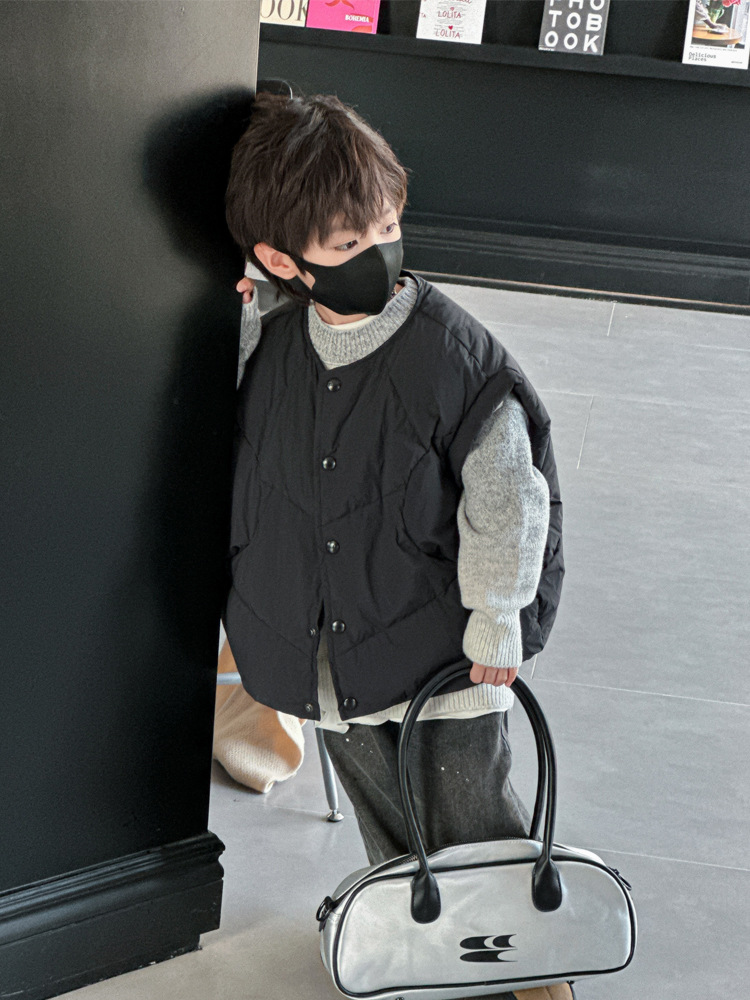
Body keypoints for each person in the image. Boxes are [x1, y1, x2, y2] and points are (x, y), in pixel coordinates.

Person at [222, 91, 567, 1000]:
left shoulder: (453, 355)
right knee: (388, 823)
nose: (379, 251)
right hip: (325, 656)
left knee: (472, 816)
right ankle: (431, 953)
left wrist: (497, 617)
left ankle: (532, 974)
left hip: (440, 651)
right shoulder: (275, 341)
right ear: (280, 259)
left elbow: (509, 493)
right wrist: (246, 316)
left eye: (388, 227)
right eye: (349, 242)